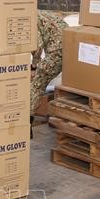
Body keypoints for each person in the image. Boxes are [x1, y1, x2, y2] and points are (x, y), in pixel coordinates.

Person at [30, 10, 67, 138]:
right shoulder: (40, 13)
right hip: (71, 46)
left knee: (36, 85)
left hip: (57, 52)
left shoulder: (29, 17)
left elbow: (37, 45)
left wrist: (34, 67)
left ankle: (26, 124)